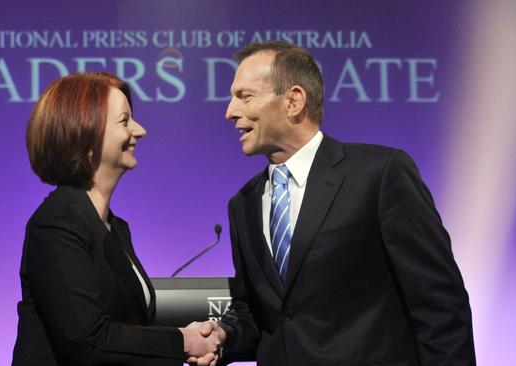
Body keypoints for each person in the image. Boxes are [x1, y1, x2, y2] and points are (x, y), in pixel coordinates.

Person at [194, 41, 476, 365]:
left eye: (244, 97)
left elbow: (440, 305)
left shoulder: (379, 174)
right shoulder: (242, 205)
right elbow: (260, 315)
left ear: (293, 101)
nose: (230, 111)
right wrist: (223, 335)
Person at [12, 72, 219, 365]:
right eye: (124, 121)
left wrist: (189, 336)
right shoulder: (57, 224)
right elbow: (90, 342)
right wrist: (182, 341)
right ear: (85, 134)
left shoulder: (115, 228)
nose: (140, 130)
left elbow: (128, 330)